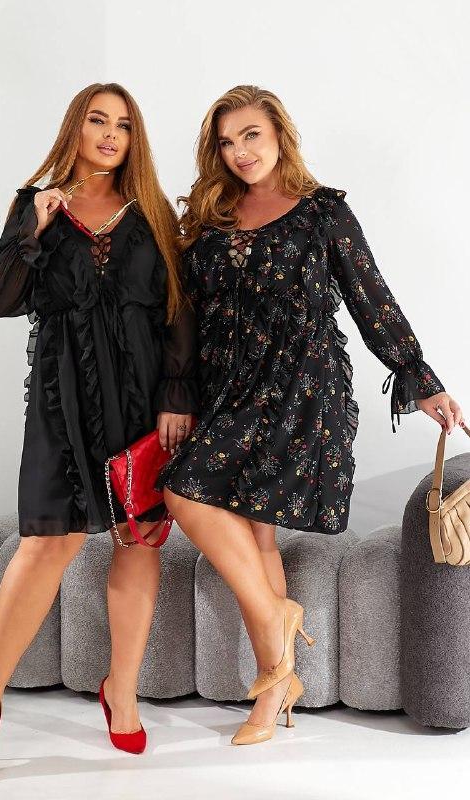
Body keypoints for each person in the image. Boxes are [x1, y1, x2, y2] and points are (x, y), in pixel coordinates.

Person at [155, 84, 465, 746]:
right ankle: (279, 660)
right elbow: (184, 315)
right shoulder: (208, 220)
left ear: (279, 135)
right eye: (226, 142)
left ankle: (272, 678)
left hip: (301, 387)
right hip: (227, 389)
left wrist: (419, 378)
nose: (240, 152)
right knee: (212, 508)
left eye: (251, 135)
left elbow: (369, 296)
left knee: (214, 508)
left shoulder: (323, 212)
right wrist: (177, 394)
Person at [0, 83, 198, 786]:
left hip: (142, 404)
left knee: (139, 539)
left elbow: (179, 311)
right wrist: (31, 229)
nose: (110, 134)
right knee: (46, 545)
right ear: (76, 127)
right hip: (61, 404)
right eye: (98, 120)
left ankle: (121, 688)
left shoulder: (152, 214)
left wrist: (176, 395)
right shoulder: (35, 204)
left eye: (123, 124)